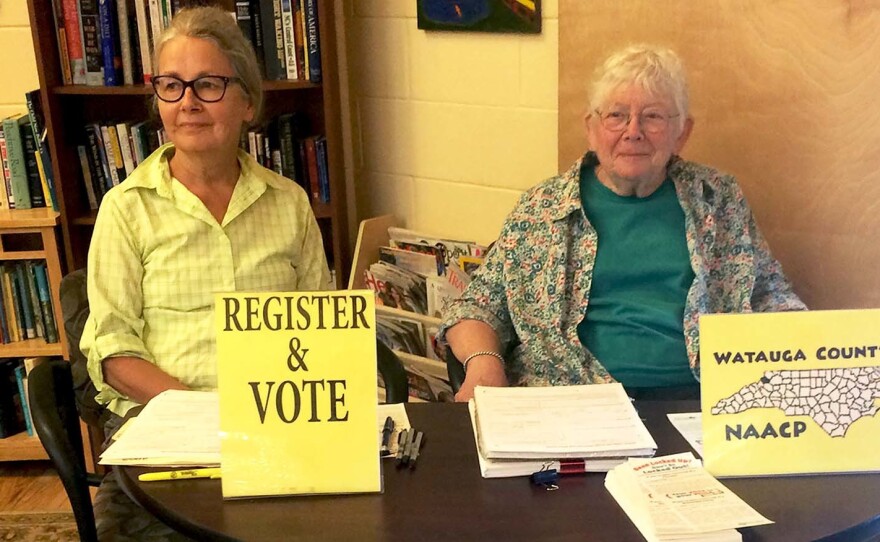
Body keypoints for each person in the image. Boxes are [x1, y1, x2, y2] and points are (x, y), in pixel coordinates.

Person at [79, 6, 328, 539]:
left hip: (280, 426)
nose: (187, 102)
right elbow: (115, 353)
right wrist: (206, 414)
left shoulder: (290, 203)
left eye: (208, 85)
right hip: (166, 429)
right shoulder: (126, 208)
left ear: (247, 102)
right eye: (171, 86)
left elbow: (321, 331)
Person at [439, 44, 806, 402]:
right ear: (591, 128)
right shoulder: (542, 208)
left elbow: (768, 295)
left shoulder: (717, 199)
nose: (633, 131)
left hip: (698, 398)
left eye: (653, 116)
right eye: (616, 115)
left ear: (683, 132)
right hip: (569, 398)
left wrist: (818, 354)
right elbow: (478, 307)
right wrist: (484, 365)